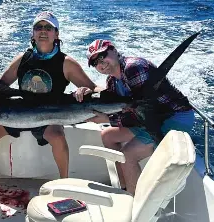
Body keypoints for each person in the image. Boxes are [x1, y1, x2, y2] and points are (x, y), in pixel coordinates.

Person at [0, 11, 101, 200]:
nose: (43, 31)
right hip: (18, 114)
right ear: (32, 34)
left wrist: (85, 90)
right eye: (38, 27)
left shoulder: (66, 63)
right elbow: (1, 86)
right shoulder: (23, 59)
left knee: (58, 137)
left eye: (48, 27)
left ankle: (65, 184)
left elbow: (92, 88)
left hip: (50, 116)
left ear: (56, 34)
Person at [75, 39, 194, 195]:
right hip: (148, 119)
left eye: (103, 55)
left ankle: (134, 202)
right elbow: (120, 103)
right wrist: (88, 92)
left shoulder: (134, 68)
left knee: (127, 156)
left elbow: (147, 113)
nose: (101, 62)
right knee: (108, 136)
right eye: (95, 62)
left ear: (114, 51)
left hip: (173, 116)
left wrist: (107, 119)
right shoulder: (112, 81)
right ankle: (125, 187)